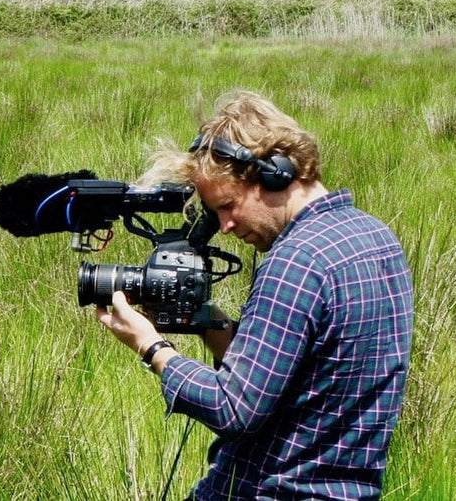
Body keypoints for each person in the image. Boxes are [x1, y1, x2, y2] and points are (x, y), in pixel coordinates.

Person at [96, 90, 414, 500]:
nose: (225, 226)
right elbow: (297, 381)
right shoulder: (377, 237)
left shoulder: (296, 262)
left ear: (275, 174)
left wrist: (150, 345)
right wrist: (211, 323)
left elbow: (234, 409)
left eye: (228, 205)